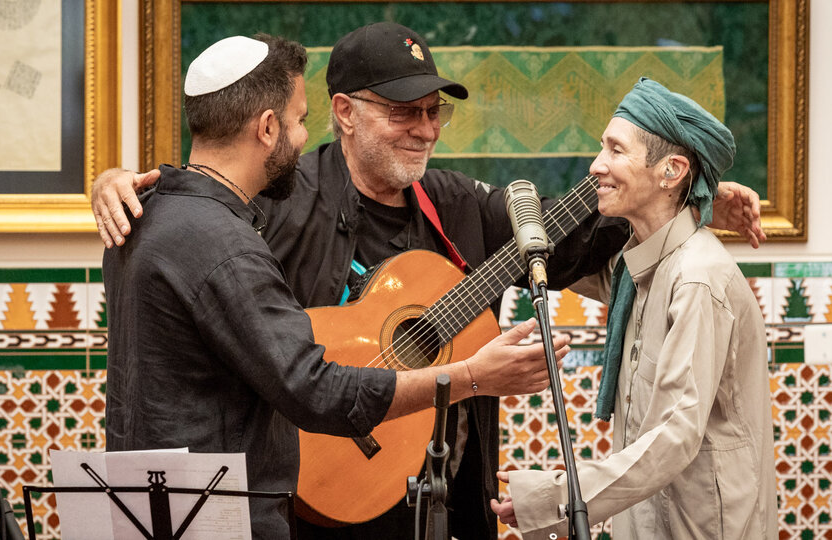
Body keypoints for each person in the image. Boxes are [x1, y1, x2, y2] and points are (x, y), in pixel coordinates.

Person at [92, 23, 766, 539]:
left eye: (433, 112)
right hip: (312, 501)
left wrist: (685, 195)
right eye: (402, 111)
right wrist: (122, 184)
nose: (424, 129)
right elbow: (211, 187)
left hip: (435, 504)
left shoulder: (458, 203)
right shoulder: (281, 198)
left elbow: (570, 244)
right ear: (345, 114)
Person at [103, 33, 571, 539]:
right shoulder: (230, 245)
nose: (305, 138)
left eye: (433, 112)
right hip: (222, 518)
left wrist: (112, 180)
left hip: (150, 511)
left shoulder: (139, 217)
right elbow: (316, 390)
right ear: (266, 128)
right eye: (299, 121)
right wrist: (473, 376)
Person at [490, 78, 776, 539]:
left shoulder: (697, 277)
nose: (596, 165)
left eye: (615, 150)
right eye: (601, 147)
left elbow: (675, 434)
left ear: (671, 171)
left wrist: (558, 497)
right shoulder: (639, 267)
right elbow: (552, 262)